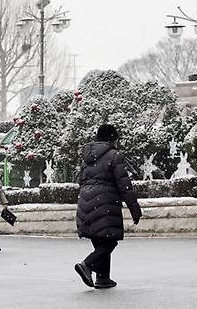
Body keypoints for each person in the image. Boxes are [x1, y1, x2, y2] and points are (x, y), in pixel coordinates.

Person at [75, 124, 142, 289]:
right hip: (104, 201)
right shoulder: (114, 155)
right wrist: (135, 210)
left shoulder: (86, 157)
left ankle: (103, 278)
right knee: (109, 241)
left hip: (85, 200)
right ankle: (87, 264)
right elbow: (124, 184)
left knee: (101, 240)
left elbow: (79, 180)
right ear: (113, 138)